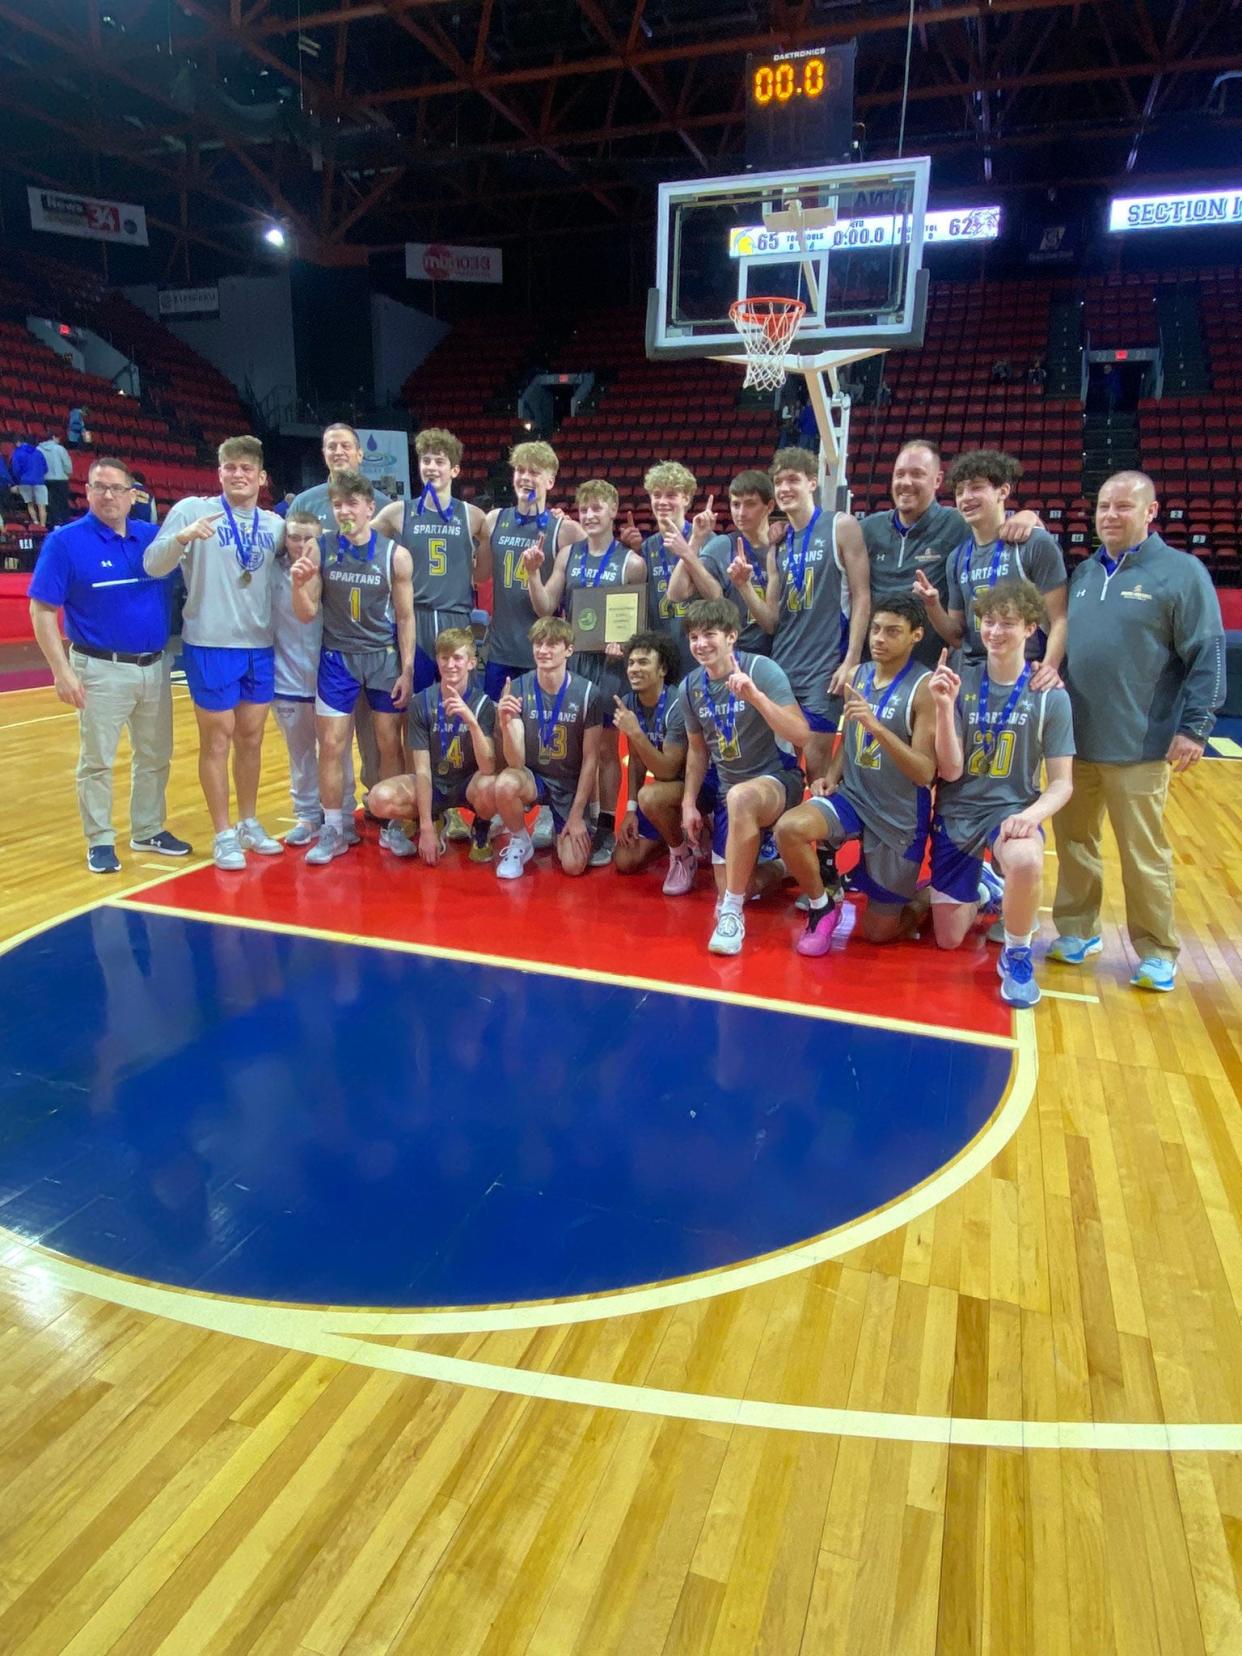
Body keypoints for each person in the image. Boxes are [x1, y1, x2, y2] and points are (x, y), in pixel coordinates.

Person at [1050, 470, 1226, 991]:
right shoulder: (1082, 575)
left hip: (1140, 746)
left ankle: (1157, 949)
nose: (1110, 515)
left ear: (1151, 512)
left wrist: (1195, 727)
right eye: (1104, 506)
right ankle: (1078, 930)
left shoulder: (1181, 573)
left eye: (1123, 507)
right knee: (1075, 842)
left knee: (1142, 854)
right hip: (1074, 744)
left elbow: (1207, 655)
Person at [28, 456, 191, 873]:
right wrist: (61, 671)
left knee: (155, 755)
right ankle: (100, 839)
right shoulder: (65, 542)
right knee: (98, 759)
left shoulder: (152, 538)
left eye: (116, 488)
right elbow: (42, 610)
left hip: (155, 668)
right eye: (98, 487)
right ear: (87, 491)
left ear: (133, 494)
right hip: (100, 668)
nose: (107, 495)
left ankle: (148, 828)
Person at [927, 578, 1075, 1007]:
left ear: (1031, 628)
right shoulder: (960, 681)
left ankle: (1016, 953)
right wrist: (941, 705)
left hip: (1010, 811)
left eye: (1007, 623)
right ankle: (990, 885)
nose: (995, 632)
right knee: (949, 940)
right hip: (957, 811)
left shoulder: (1049, 696)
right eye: (989, 622)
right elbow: (951, 768)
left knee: (1027, 857)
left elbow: (1063, 783)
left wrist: (1031, 817)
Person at [144, 434, 286, 870]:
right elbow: (153, 564)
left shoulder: (275, 527)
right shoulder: (191, 510)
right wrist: (181, 538)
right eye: (230, 467)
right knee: (217, 740)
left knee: (252, 738)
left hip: (260, 646)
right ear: (219, 473)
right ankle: (223, 832)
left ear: (261, 477)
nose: (238, 474)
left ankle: (247, 821)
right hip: (209, 644)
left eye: (246, 468)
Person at [775, 596, 935, 954]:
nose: (879, 638)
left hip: (898, 814)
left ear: (916, 635)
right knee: (789, 828)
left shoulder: (925, 689)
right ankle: (822, 906)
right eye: (875, 630)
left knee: (878, 933)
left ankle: (927, 898)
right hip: (854, 797)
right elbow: (849, 736)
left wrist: (878, 727)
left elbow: (925, 772)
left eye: (892, 632)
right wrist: (833, 774)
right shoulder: (859, 674)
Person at [288, 470, 414, 866]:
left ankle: (392, 825)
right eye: (338, 504)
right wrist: (297, 585)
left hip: (383, 658)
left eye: (351, 504)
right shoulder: (320, 549)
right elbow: (307, 613)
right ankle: (334, 827)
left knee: (388, 743)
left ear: (369, 508)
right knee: (332, 745)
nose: (344, 511)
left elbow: (406, 617)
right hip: (337, 658)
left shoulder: (395, 553)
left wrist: (407, 668)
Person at [724, 446, 871, 778]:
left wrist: (851, 660)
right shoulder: (779, 544)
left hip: (825, 666)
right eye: (779, 482)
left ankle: (818, 829)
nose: (785, 488)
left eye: (793, 479)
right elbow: (772, 622)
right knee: (783, 761)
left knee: (817, 757)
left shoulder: (841, 527)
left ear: (812, 483)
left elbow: (862, 598)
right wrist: (745, 587)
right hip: (784, 664)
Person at [678, 598, 810, 955]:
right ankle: (784, 866)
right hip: (728, 788)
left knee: (742, 799)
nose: (701, 643)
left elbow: (801, 735)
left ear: (732, 636)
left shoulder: (762, 669)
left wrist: (756, 698)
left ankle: (731, 917)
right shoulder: (689, 687)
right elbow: (697, 751)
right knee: (741, 883)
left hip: (777, 780)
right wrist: (689, 803)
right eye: (693, 636)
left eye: (710, 634)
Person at [525, 477, 646, 865]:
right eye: (585, 508)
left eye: (598, 508)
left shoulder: (632, 563)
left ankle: (606, 825)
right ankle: (574, 812)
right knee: (574, 746)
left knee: (608, 749)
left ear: (613, 510)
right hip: (574, 662)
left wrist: (625, 646)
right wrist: (531, 573)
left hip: (610, 664)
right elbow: (546, 607)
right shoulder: (567, 555)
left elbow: (639, 626)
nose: (591, 515)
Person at [862, 439, 1042, 670]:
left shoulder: (958, 523)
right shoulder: (868, 529)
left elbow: (1001, 529)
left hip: (933, 667)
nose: (905, 482)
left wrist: (1029, 517)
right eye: (899, 474)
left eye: (917, 474)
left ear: (937, 480)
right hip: (877, 666)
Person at [483, 440, 584, 850]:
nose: (526, 478)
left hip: (542, 655)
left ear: (550, 479)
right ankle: (498, 810)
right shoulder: (493, 520)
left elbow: (601, 561)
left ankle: (544, 810)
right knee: (497, 733)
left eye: (535, 472)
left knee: (545, 739)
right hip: (499, 649)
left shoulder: (565, 528)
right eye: (520, 470)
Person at [289, 423, 392, 806]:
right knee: (327, 737)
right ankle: (329, 812)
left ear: (359, 453)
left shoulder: (380, 500)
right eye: (330, 446)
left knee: (376, 735)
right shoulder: (305, 502)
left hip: (373, 639)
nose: (338, 452)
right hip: (322, 636)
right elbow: (292, 556)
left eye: (345, 445)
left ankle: (379, 804)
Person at [912, 449, 1065, 687]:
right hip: (974, 674)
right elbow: (957, 635)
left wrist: (1050, 666)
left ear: (1003, 491)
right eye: (959, 491)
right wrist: (932, 606)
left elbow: (1061, 618)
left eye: (976, 488)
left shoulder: (1035, 543)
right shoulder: (957, 557)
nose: (965, 497)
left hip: (1024, 672)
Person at [371, 427, 491, 694]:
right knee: (414, 704)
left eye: (440, 461)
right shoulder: (398, 512)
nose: (432, 467)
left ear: (455, 470)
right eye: (426, 461)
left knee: (460, 704)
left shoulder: (473, 516)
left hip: (456, 618)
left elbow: (482, 575)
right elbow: (357, 537)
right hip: (415, 619)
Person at [367, 627, 498, 865]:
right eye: (444, 658)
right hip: (435, 784)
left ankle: (481, 827)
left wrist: (471, 722)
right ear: (437, 661)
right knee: (378, 798)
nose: (450, 665)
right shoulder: (422, 702)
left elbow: (488, 767)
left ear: (471, 663)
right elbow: (423, 770)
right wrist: (426, 828)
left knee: (492, 784)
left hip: (469, 785)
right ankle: (434, 818)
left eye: (457, 658)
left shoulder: (483, 704)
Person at [270, 508, 358, 849]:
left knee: (338, 752)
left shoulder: (336, 570)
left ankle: (345, 817)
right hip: (288, 678)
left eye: (309, 537)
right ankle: (307, 815)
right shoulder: (272, 572)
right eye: (294, 536)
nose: (301, 543)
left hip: (331, 677)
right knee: (301, 754)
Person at [491, 616, 602, 880]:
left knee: (573, 866)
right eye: (539, 644)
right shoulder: (517, 688)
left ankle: (562, 823)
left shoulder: (588, 693)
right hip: (535, 777)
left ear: (569, 650)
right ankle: (520, 840)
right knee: (506, 783)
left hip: (569, 783)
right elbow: (515, 762)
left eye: (552, 644)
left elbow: (590, 760)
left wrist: (576, 815)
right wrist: (505, 724)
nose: (543, 650)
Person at [611, 630, 706, 893]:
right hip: (669, 790)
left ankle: (681, 855)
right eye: (631, 662)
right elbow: (637, 762)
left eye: (643, 662)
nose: (634, 668)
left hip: (696, 789)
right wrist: (630, 809)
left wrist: (636, 733)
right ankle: (673, 836)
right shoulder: (630, 701)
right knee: (625, 860)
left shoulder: (677, 704)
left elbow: (668, 770)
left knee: (651, 796)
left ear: (662, 668)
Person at [665, 470, 776, 658]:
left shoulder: (783, 544)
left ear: (769, 506)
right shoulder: (722, 545)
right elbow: (675, 593)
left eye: (750, 504)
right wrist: (694, 542)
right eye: (735, 504)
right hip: (737, 652)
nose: (741, 512)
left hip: (780, 649)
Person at [616, 460, 696, 679]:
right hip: (660, 652)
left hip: (696, 649)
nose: (662, 501)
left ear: (686, 498)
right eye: (657, 494)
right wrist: (629, 551)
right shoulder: (647, 547)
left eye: (671, 495)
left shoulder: (705, 540)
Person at [37, 432, 73, 528]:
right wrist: (67, 473)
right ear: (53, 437)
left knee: (51, 503)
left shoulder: (38, 449)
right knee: (63, 503)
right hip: (61, 480)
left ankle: (55, 524)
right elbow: (67, 465)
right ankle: (65, 525)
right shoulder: (60, 449)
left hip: (46, 480)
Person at [11, 436, 48, 527]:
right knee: (41, 506)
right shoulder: (39, 453)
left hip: (25, 482)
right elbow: (45, 468)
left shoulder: (18, 452)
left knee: (30, 504)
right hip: (39, 482)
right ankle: (42, 526)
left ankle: (35, 522)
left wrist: (20, 479)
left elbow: (15, 469)